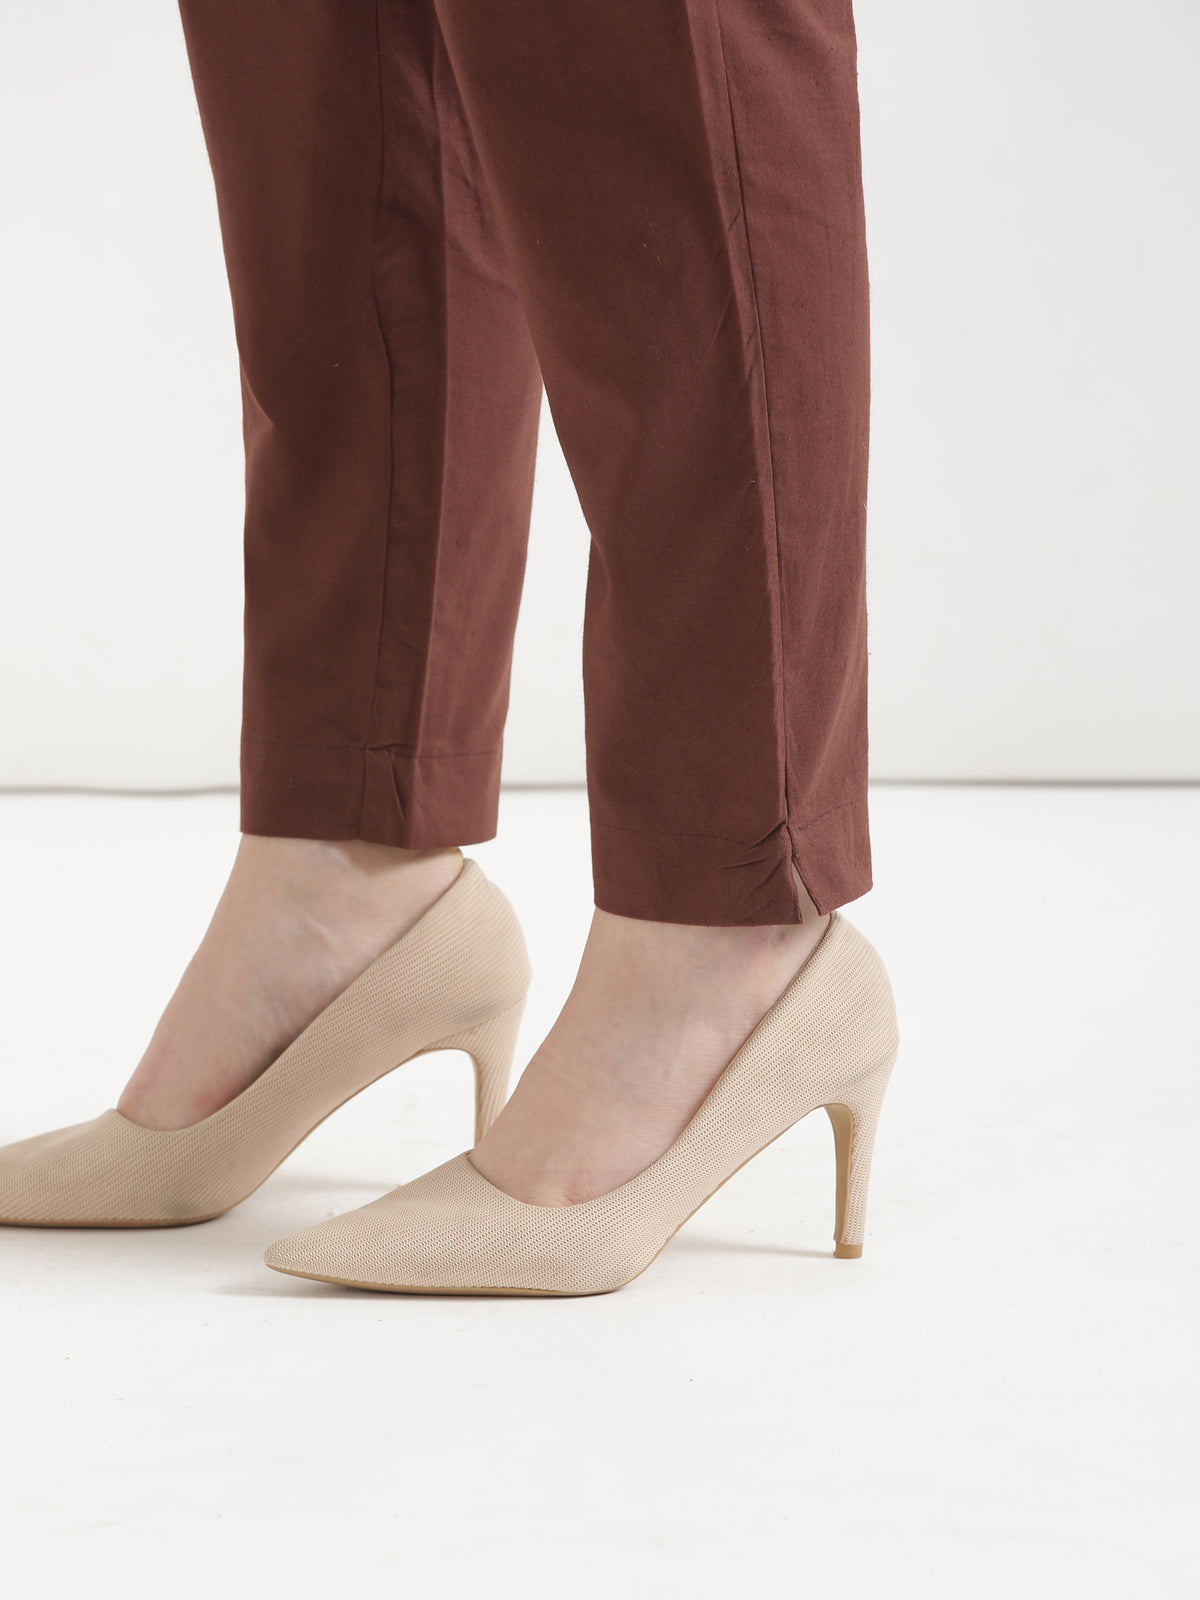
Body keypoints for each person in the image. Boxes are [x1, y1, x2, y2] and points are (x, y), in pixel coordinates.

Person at [0, 0, 899, 1295]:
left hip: (734, 896)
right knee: (313, 48)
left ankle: (727, 914)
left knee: (639, 36)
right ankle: (346, 852)